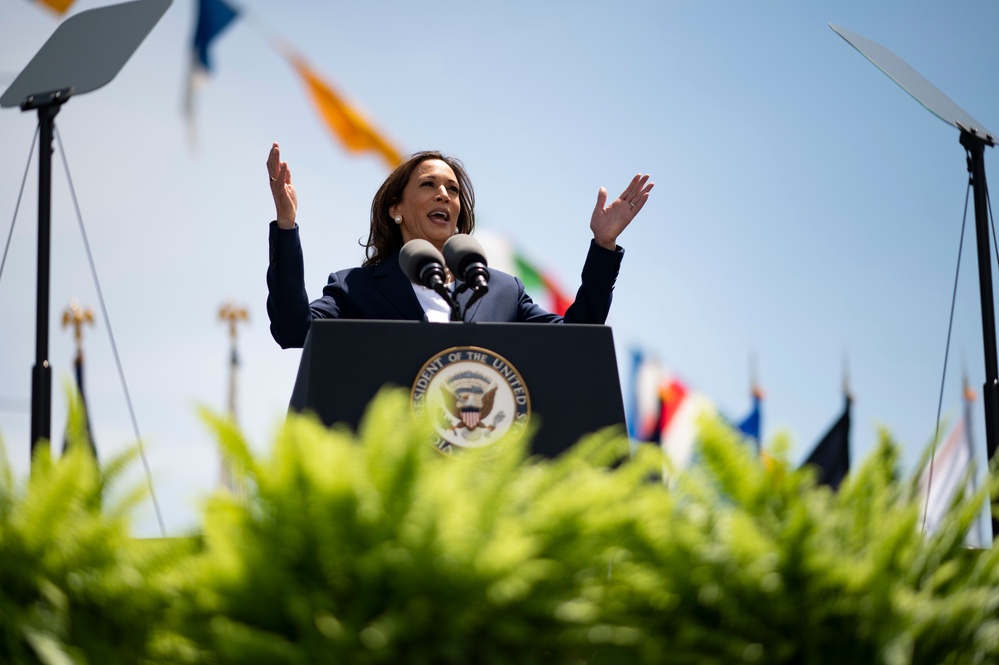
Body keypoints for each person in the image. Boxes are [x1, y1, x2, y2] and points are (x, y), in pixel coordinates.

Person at [266, 143, 653, 348]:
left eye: (452, 190)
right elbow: (293, 330)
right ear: (395, 208)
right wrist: (286, 226)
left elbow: (576, 339)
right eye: (429, 185)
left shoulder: (503, 291)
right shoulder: (355, 288)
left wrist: (604, 245)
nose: (444, 196)